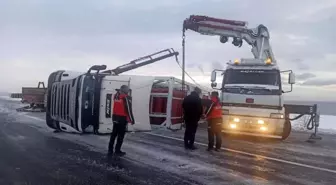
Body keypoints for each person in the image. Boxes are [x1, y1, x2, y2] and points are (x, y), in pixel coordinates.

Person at [108, 85, 135, 157]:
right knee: (120, 135)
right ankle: (117, 150)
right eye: (127, 90)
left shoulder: (116, 96)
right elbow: (129, 109)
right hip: (122, 118)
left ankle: (110, 150)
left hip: (115, 117)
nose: (128, 91)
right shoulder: (126, 97)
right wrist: (132, 119)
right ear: (125, 90)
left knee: (114, 134)